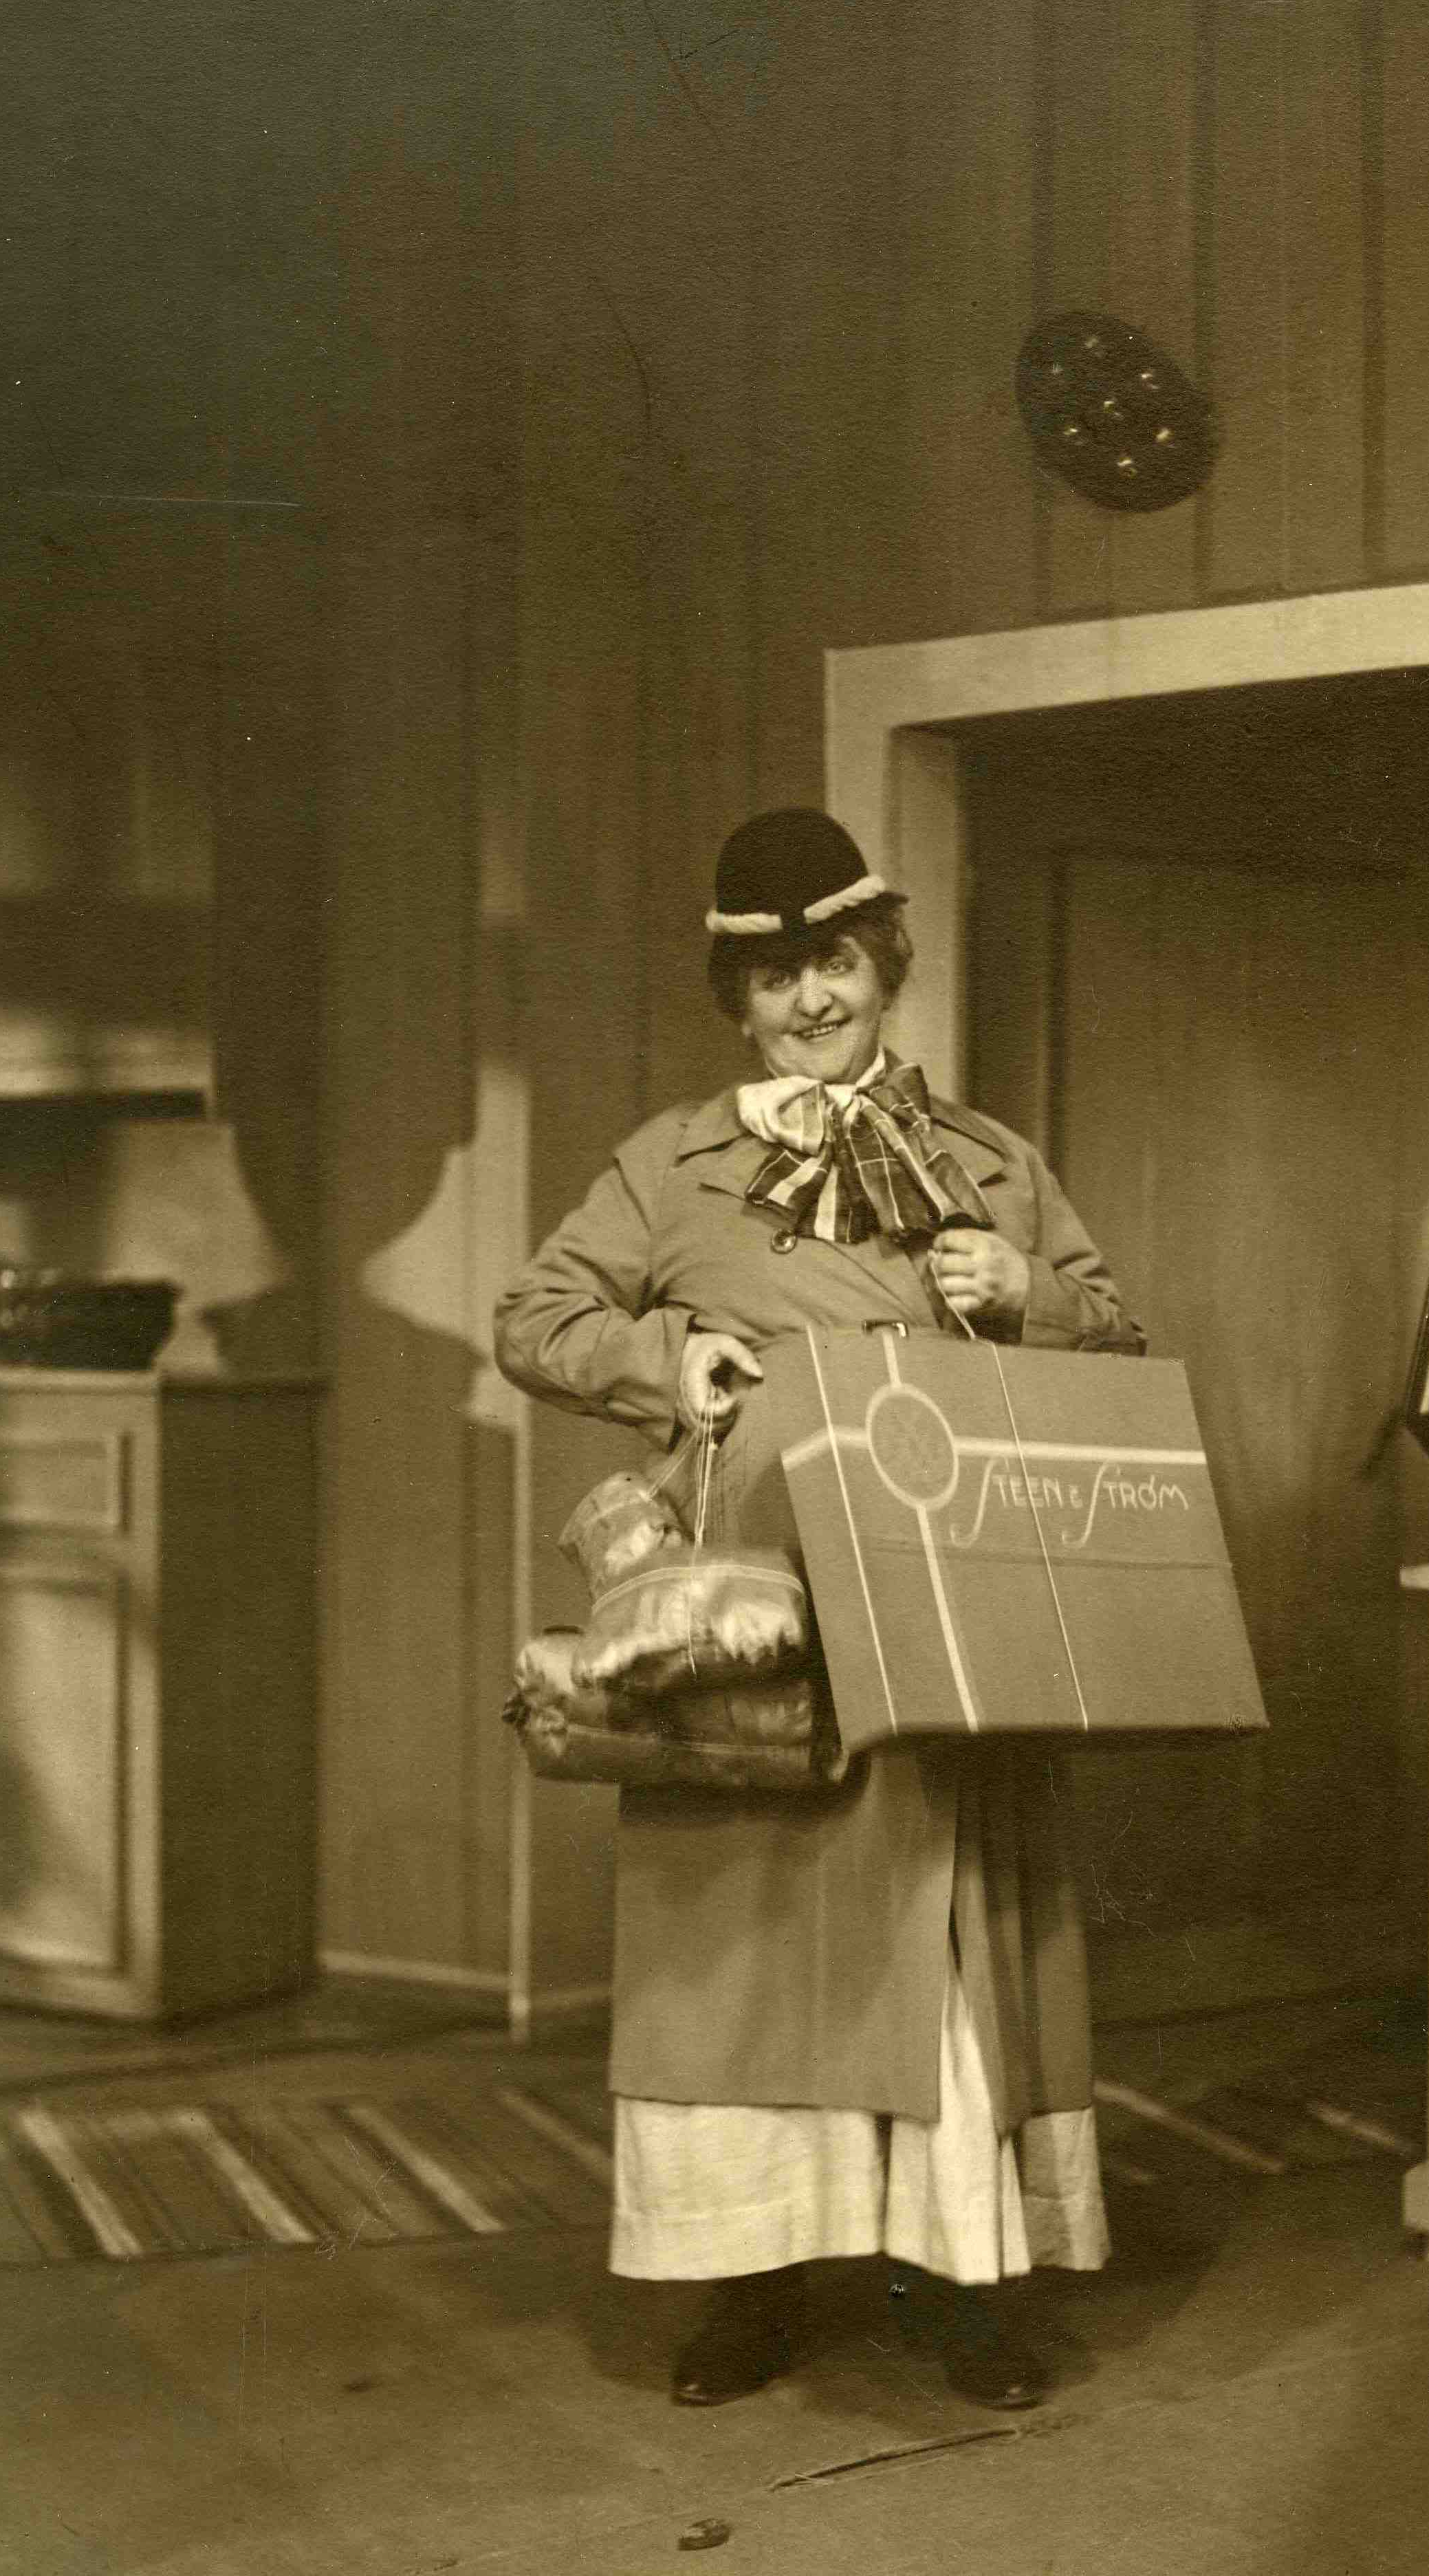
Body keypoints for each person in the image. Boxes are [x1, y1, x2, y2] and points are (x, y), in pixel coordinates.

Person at [493, 807, 1143, 2411]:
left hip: (951, 1595)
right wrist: (669, 1357)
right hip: (756, 1609)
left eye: (834, 963)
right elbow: (535, 1315)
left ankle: (961, 2280)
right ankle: (753, 2284)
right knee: (753, 1936)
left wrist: (1031, 1297)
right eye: (776, 976)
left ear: (884, 965)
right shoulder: (673, 1161)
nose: (810, 1000)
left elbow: (1120, 1344)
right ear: (739, 999)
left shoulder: (990, 1158)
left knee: (943, 1925)